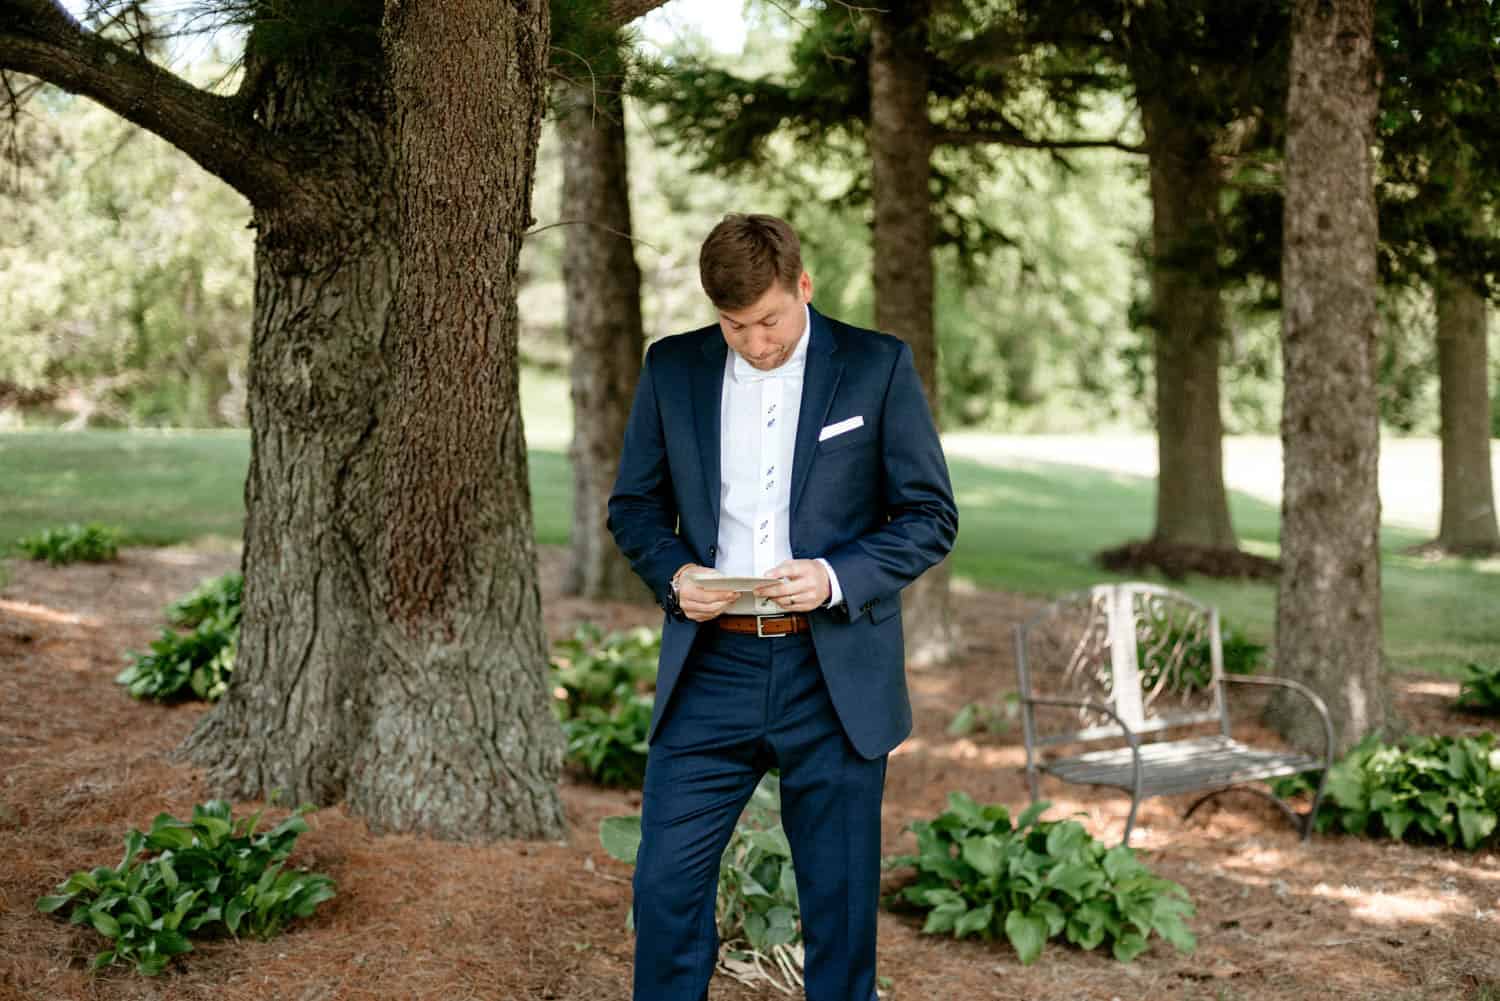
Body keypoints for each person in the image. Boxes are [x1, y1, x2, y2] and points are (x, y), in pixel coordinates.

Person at [608, 213, 958, 1001]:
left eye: (769, 319)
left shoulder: (876, 366)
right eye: (735, 326)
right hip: (711, 667)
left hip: (830, 672)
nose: (756, 342)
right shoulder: (673, 369)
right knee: (664, 888)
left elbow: (931, 517)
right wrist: (675, 576)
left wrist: (836, 575)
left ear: (802, 285)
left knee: (838, 912)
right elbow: (634, 506)